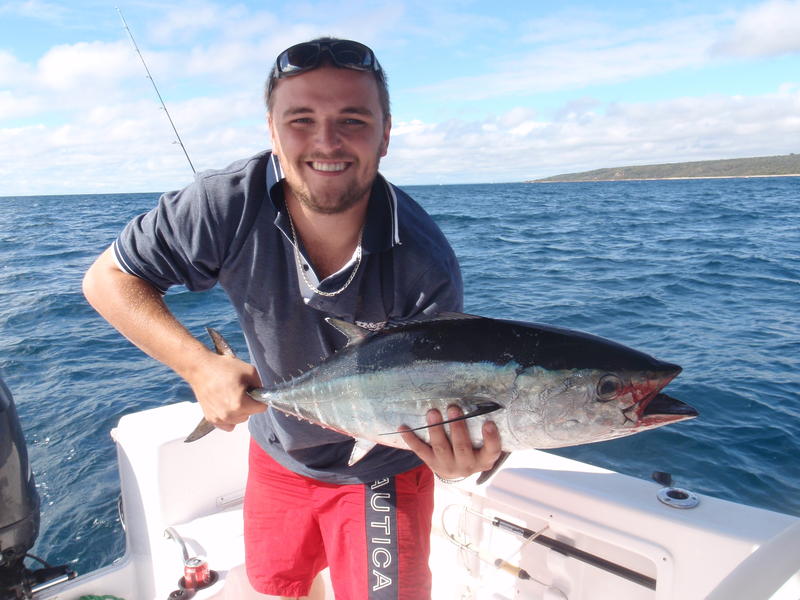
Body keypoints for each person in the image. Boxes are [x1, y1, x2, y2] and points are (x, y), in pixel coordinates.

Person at [83, 37, 501, 600]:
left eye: (353, 120)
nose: (326, 142)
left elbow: (444, 396)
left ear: (385, 134)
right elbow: (107, 279)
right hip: (277, 450)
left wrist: (457, 458)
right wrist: (199, 367)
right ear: (272, 132)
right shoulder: (223, 204)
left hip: (382, 466)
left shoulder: (425, 264)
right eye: (301, 120)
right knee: (277, 587)